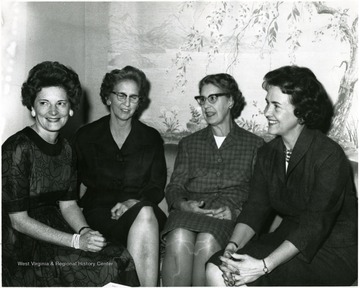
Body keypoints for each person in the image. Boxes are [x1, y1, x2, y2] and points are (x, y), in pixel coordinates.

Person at [206, 65, 358, 286]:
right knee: (217, 268)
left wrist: (263, 266)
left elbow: (314, 225)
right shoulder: (267, 154)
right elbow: (254, 210)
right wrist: (232, 247)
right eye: (268, 102)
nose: (266, 111)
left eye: (276, 105)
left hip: (331, 250)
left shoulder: (329, 156)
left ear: (301, 112)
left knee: (247, 278)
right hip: (286, 238)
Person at [2, 61, 139, 287]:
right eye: (44, 103)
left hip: (58, 228)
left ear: (70, 109)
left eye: (61, 103)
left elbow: (68, 205)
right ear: (32, 108)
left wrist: (85, 231)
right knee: (94, 269)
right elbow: (18, 221)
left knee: (118, 256)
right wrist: (76, 241)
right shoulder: (17, 148)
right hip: (23, 242)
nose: (53, 112)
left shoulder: (67, 149)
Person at [161, 73, 264, 286]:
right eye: (202, 99)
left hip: (227, 220)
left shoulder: (254, 145)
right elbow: (175, 187)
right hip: (187, 216)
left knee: (207, 242)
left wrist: (235, 212)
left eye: (213, 98)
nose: (206, 105)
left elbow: (260, 199)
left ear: (231, 101)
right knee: (179, 237)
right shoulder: (190, 143)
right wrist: (184, 204)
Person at [73, 66, 167, 287]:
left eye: (133, 97)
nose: (127, 104)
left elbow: (156, 186)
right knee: (142, 214)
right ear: (108, 97)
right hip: (100, 214)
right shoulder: (85, 136)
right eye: (121, 95)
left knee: (144, 213)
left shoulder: (151, 138)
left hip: (144, 210)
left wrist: (133, 202)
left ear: (139, 101)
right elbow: (72, 185)